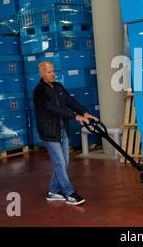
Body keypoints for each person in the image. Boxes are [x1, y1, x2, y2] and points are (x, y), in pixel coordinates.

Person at [33, 61, 98, 206]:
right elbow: (53, 109)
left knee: (64, 163)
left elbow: (70, 101)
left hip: (63, 129)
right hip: (49, 132)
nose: (52, 74)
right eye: (49, 72)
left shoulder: (58, 87)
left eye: (53, 71)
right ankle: (69, 193)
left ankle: (53, 191)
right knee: (60, 163)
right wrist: (75, 116)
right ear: (42, 73)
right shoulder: (39, 91)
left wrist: (85, 113)